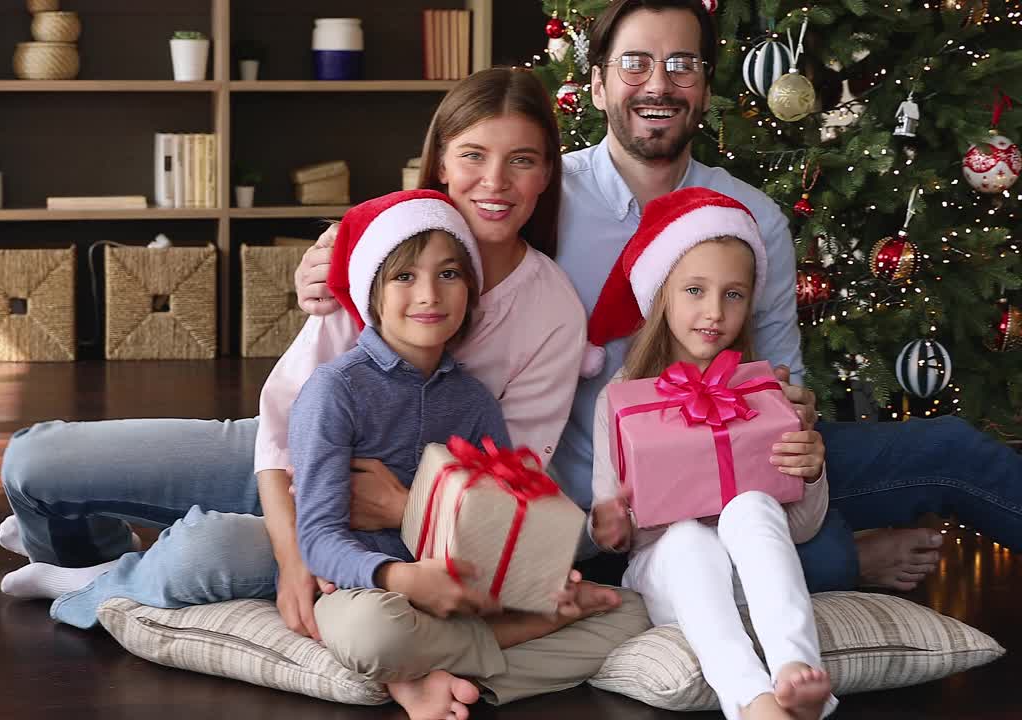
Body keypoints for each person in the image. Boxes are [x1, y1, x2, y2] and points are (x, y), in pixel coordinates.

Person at [294, 0, 1022, 592]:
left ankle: (835, 547)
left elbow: (779, 373)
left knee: (952, 447)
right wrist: (333, 251)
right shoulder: (537, 189)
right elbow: (427, 233)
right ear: (602, 82)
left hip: (736, 462)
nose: (658, 85)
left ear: (705, 85)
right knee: (815, 562)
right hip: (604, 494)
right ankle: (849, 558)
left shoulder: (750, 216)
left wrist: (790, 408)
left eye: (682, 65)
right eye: (635, 63)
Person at [0, 67, 641, 643]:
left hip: (381, 522)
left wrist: (393, 514)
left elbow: (506, 484)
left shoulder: (552, 311)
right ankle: (90, 553)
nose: (495, 182)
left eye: (522, 161)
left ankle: (102, 579)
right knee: (34, 461)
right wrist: (293, 550)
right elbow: (282, 425)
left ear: (548, 173)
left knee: (201, 551)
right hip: (280, 461)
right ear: (441, 162)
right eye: (473, 155)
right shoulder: (378, 243)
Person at [289, 190, 638, 720]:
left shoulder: (474, 402)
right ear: (373, 294)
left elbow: (504, 518)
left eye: (449, 274)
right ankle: (460, 654)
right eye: (405, 276)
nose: (429, 294)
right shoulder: (335, 390)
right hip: (371, 590)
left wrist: (580, 543)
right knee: (372, 634)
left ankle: (427, 672)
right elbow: (317, 537)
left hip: (461, 590)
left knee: (632, 615)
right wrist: (398, 578)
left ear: (470, 292)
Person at [586, 187, 836, 720]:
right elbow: (613, 522)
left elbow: (802, 527)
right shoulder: (623, 398)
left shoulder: (768, 391)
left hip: (756, 582)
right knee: (686, 541)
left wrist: (811, 472)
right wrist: (608, 523)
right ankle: (750, 698)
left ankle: (796, 670)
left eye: (733, 294)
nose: (714, 312)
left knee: (752, 506)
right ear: (662, 296)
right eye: (694, 290)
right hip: (671, 574)